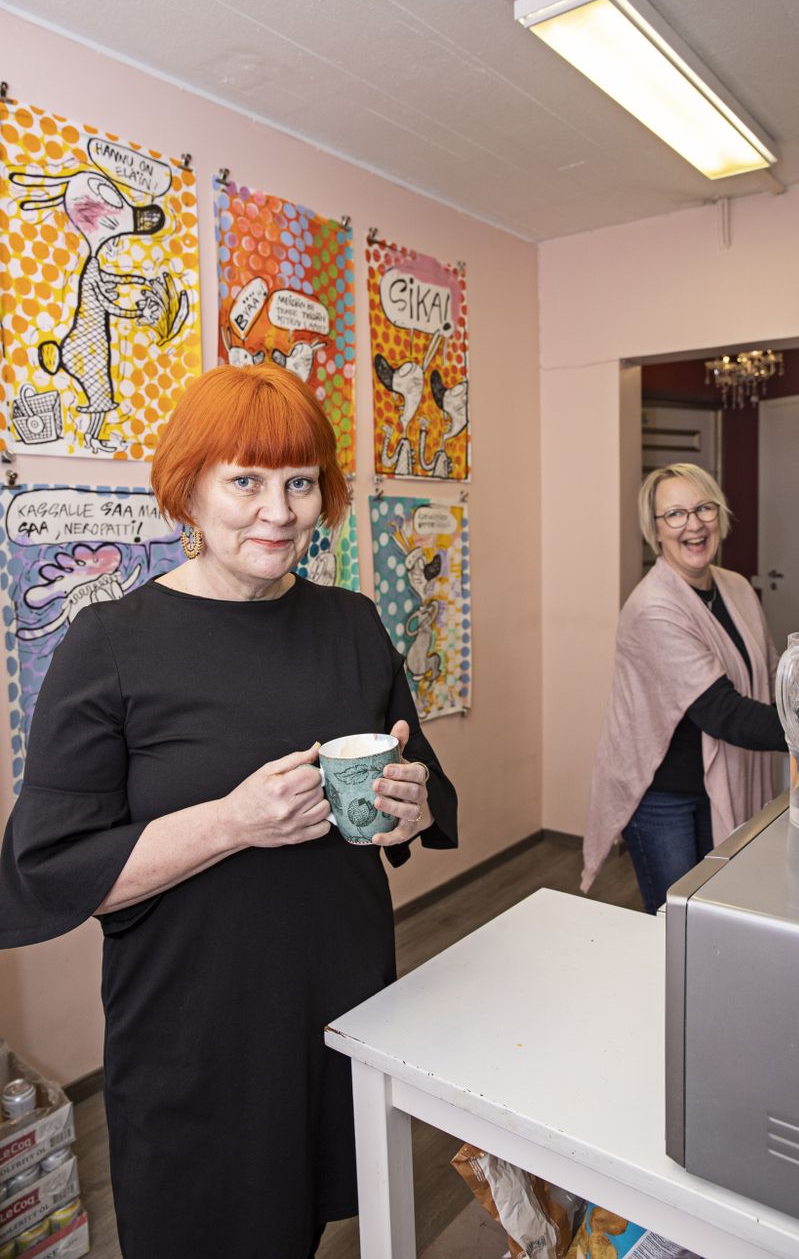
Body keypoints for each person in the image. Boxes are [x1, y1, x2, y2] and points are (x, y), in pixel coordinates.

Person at [0, 363, 458, 1259]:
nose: (277, 512)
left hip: (340, 1000)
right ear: (189, 489)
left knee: (305, 1219)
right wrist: (233, 821)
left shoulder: (353, 623)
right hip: (197, 1031)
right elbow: (53, 867)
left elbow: (424, 783)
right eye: (245, 481)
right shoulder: (112, 644)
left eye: (299, 482)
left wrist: (409, 807)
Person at [582, 462, 785, 913]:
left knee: (723, 906)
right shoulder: (653, 607)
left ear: (719, 514)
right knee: (678, 921)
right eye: (674, 514)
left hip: (724, 779)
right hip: (664, 793)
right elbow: (723, 713)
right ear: (655, 530)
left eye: (703, 508)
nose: (693, 525)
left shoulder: (735, 587)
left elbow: (772, 676)